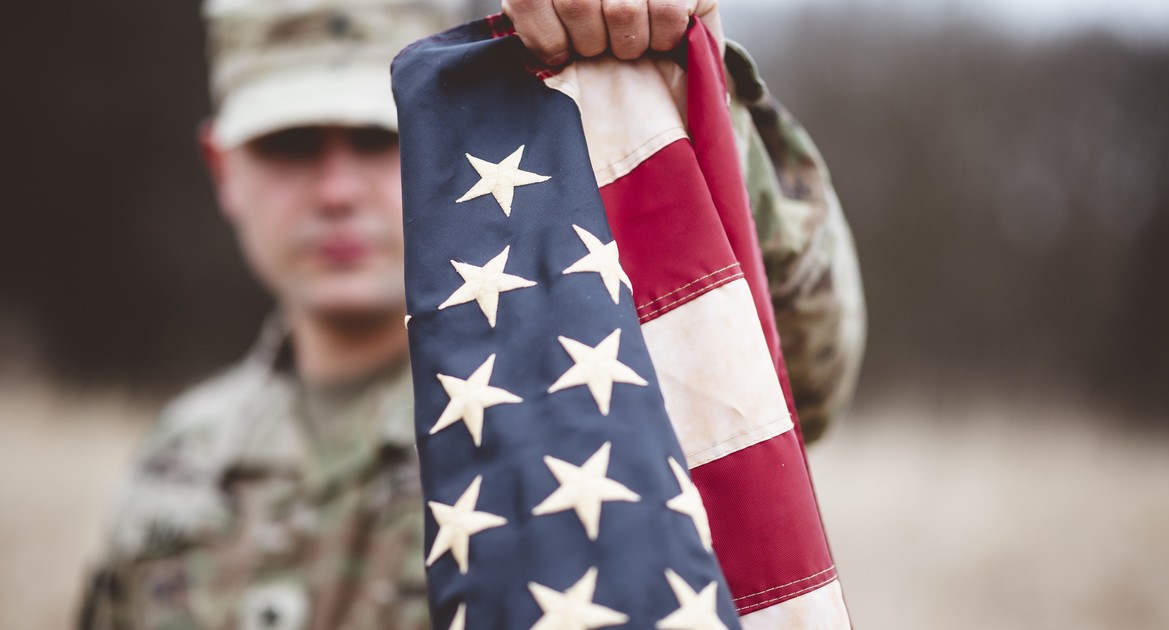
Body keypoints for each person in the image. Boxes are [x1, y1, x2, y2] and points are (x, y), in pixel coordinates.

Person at [79, 0, 865, 628]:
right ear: (222, 167)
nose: (336, 191)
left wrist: (679, 94)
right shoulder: (174, 462)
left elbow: (795, 360)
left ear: (442, 140)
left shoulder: (588, 380)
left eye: (375, 138)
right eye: (289, 146)